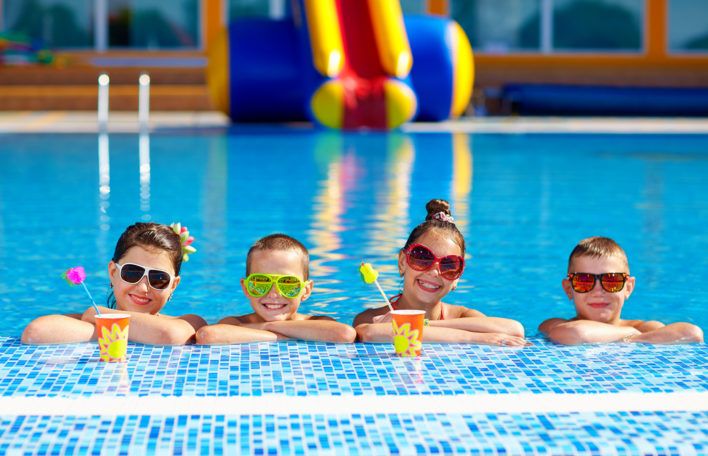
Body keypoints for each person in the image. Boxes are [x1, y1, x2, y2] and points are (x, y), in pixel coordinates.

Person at [354, 199, 528, 346]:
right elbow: (370, 332)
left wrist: (420, 323)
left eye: (449, 264)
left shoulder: (463, 316)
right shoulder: (372, 318)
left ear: (457, 278)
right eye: (422, 257)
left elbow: (514, 329)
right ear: (402, 262)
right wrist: (472, 337)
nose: (435, 272)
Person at [22, 222, 206, 345]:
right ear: (112, 272)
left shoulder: (189, 322)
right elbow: (35, 332)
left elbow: (170, 335)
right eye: (132, 273)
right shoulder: (87, 317)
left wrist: (101, 317)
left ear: (173, 285)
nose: (143, 288)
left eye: (158, 278)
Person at [539, 236, 704, 344]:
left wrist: (633, 337)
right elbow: (574, 333)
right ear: (569, 289)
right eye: (584, 280)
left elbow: (692, 333)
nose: (597, 291)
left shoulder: (644, 327)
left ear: (628, 287)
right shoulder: (555, 324)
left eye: (611, 280)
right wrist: (633, 336)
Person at [196, 234, 356, 344]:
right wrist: (280, 334)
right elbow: (208, 335)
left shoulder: (317, 322)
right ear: (246, 288)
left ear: (306, 290)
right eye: (260, 281)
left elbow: (345, 334)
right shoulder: (236, 322)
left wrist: (267, 327)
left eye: (287, 282)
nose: (273, 293)